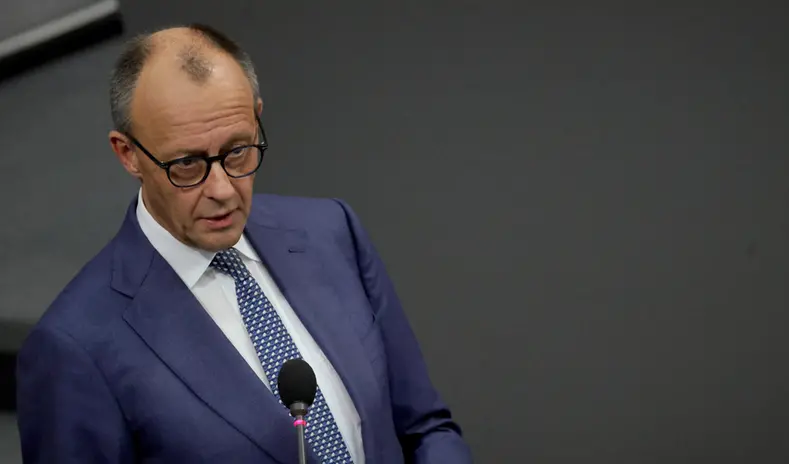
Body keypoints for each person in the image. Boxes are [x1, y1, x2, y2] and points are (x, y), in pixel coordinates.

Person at [15, 24, 472, 464]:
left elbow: (423, 427)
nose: (222, 190)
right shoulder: (73, 348)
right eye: (187, 164)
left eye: (237, 151)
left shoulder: (331, 231)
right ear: (128, 154)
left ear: (256, 118)